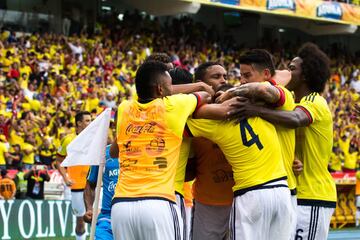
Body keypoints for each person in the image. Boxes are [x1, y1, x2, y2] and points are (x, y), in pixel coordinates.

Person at [110, 61, 236, 240]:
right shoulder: (175, 106)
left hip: (121, 204)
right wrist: (200, 84)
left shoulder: (124, 108)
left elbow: (114, 150)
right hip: (159, 201)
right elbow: (205, 96)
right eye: (170, 86)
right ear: (160, 90)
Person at [230, 43, 336, 239]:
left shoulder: (315, 101)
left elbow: (296, 120)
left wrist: (256, 110)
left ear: (305, 75)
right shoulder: (291, 102)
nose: (288, 72)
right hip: (294, 192)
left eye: (292, 69)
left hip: (313, 195)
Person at [217, 49, 298, 236]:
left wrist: (228, 93)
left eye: (247, 75)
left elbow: (264, 87)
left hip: (282, 186)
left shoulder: (280, 94)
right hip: (275, 187)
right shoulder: (246, 103)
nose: (243, 80)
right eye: (241, 76)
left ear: (267, 75)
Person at [184, 62, 234, 240]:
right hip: (207, 205)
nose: (223, 80)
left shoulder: (242, 110)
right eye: (216, 76)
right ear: (200, 83)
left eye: (225, 76)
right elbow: (189, 173)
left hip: (241, 201)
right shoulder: (189, 117)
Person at [56, 111, 92, 240]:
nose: (90, 123)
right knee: (81, 221)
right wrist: (65, 177)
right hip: (77, 186)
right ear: (79, 123)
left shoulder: (95, 139)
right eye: (87, 120)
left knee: (98, 217)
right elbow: (58, 161)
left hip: (93, 185)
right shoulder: (68, 140)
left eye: (91, 120)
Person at [83, 144, 119, 240]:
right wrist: (89, 209)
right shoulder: (103, 153)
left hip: (132, 217)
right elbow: (90, 184)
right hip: (107, 217)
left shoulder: (144, 152)